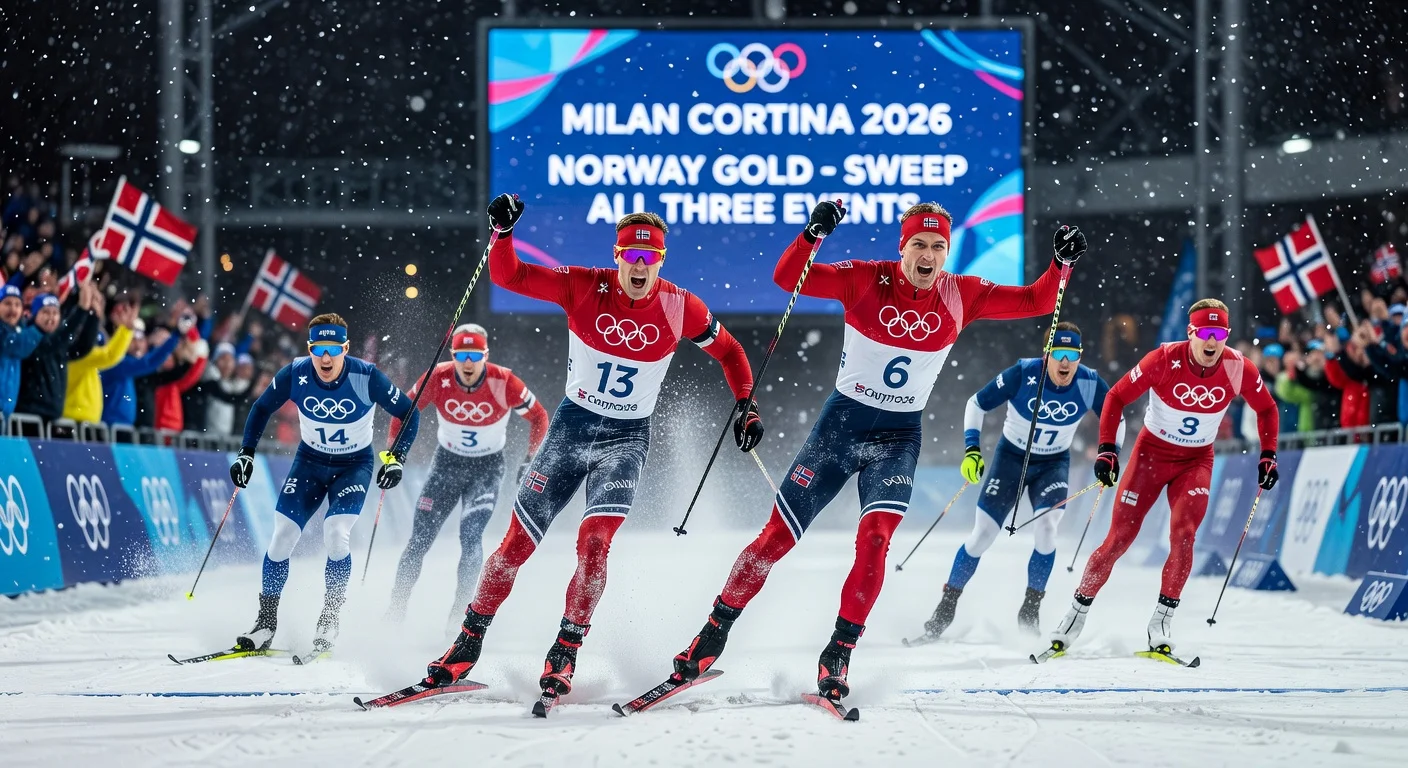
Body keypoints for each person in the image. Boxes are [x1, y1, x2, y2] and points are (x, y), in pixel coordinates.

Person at [666, 201, 1081, 706]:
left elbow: (1038, 301)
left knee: (876, 539)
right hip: (840, 428)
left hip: (898, 438)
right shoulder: (864, 278)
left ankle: (838, 653)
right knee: (776, 536)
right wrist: (813, 233)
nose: (928, 257)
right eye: (918, 245)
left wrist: (1061, 264)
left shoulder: (961, 293)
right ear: (901, 247)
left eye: (938, 248)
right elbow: (788, 277)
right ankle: (712, 633)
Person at [421, 194, 759, 710]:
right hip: (571, 430)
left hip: (626, 439)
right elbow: (510, 277)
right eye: (630, 255)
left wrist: (746, 406)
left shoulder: (680, 305)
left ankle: (565, 652)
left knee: (595, 542)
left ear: (661, 261)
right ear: (617, 256)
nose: (639, 266)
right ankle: (466, 645)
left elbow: (731, 352)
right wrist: (502, 233)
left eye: (650, 258)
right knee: (516, 546)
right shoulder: (583, 284)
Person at [1043, 299, 1279, 660]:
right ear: (1191, 333)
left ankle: (1161, 624)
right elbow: (1117, 397)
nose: (1212, 342)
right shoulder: (1164, 359)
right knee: (1119, 539)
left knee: (1184, 535)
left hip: (1196, 461)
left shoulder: (1237, 367)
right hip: (1150, 457)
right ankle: (1074, 618)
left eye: (1220, 334)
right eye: (1205, 333)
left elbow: (1267, 408)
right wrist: (1107, 449)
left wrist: (1268, 454)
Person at [914, 322, 1125, 644]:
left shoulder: (1088, 382)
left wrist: (1109, 453)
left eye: (1073, 355)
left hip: (1053, 464)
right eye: (1059, 354)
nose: (1066, 363)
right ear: (1046, 355)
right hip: (1010, 460)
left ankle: (1030, 609)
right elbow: (976, 403)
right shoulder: (1024, 373)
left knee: (1048, 527)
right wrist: (972, 448)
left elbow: (1116, 416)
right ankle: (946, 606)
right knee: (983, 534)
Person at [227, 313, 420, 657]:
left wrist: (397, 457)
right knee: (282, 535)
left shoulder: (366, 376)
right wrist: (246, 454)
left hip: (353, 466)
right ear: (310, 348)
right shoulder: (296, 373)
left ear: (345, 348)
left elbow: (410, 413)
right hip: (310, 463)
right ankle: (266, 622)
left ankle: (329, 618)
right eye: (319, 349)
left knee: (336, 533)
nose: (326, 358)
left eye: (334, 349)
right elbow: (260, 408)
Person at [386, 322, 549, 621]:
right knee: (420, 539)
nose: (469, 363)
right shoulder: (437, 377)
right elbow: (402, 412)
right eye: (462, 356)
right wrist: (394, 456)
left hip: (486, 470)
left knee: (471, 537)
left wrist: (531, 459)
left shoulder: (505, 381)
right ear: (453, 355)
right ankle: (396, 609)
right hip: (446, 466)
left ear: (486, 356)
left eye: (475, 356)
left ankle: (459, 615)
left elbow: (539, 416)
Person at [15, 285, 99, 424]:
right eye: (46, 312)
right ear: (34, 315)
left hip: (53, 417)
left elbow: (83, 347)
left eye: (55, 313)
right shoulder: (30, 339)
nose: (51, 317)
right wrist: (81, 309)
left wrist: (93, 316)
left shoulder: (57, 345)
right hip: (29, 416)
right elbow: (59, 339)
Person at [63, 298, 136, 425]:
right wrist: (125, 330)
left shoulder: (78, 353)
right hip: (75, 419)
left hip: (80, 418)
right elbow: (109, 355)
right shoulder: (78, 355)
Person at [101, 318, 184, 427]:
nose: (137, 344)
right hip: (113, 428)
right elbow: (148, 362)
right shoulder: (118, 364)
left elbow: (151, 364)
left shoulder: (127, 366)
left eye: (140, 339)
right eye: (133, 339)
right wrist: (176, 335)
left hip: (124, 428)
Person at [0, 284, 41, 420]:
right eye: (7, 303)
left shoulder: (20, 332)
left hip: (6, 412)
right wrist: (39, 329)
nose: (13, 309)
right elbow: (17, 345)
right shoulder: (8, 335)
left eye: (17, 304)